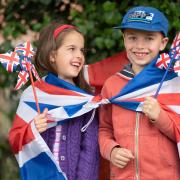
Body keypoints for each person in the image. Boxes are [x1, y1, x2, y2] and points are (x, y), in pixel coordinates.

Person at [9, 22, 99, 180]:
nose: (79, 55)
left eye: (82, 50)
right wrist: (33, 129)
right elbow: (16, 139)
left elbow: (90, 150)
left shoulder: (86, 100)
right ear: (52, 56)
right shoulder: (34, 95)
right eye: (72, 49)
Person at [99, 6, 180, 180]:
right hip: (123, 176)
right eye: (132, 38)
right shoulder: (112, 85)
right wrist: (111, 150)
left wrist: (160, 117)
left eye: (149, 38)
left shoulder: (173, 84)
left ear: (163, 43)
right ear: (124, 39)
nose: (139, 46)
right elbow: (104, 129)